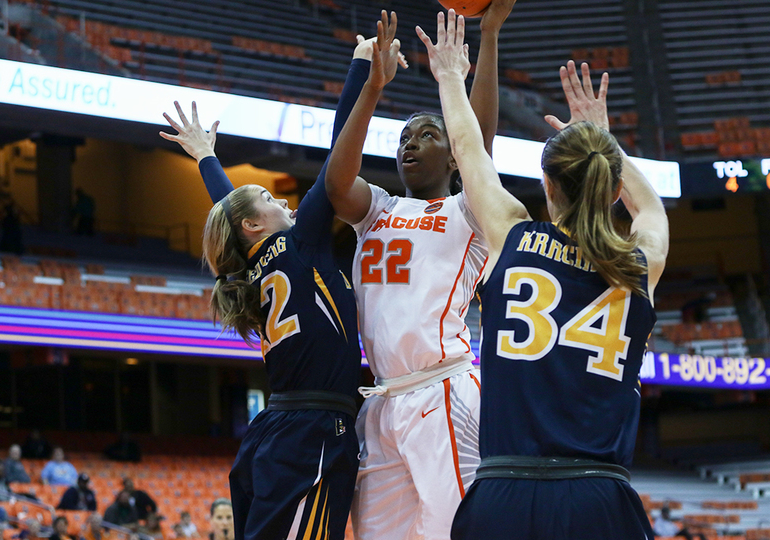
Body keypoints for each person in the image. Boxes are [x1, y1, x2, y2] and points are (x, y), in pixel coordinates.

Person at [415, 11, 669, 540]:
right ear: (610, 183)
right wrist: (604, 141)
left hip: (505, 494)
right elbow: (651, 213)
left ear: (547, 185)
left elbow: (468, 151)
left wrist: (448, 77)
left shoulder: (513, 236)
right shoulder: (638, 264)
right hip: (598, 497)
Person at [159, 32, 379, 540]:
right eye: (270, 198)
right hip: (314, 432)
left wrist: (206, 159)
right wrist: (360, 65)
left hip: (276, 432)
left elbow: (232, 212)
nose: (285, 202)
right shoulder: (301, 244)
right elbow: (339, 146)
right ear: (256, 225)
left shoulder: (249, 267)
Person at [323, 3, 515, 539]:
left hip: (442, 391)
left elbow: (478, 143)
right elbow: (336, 186)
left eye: (427, 134)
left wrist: (490, 37)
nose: (410, 142)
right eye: (404, 137)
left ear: (454, 159)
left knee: (457, 530)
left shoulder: (467, 210)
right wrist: (372, 88)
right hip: (383, 398)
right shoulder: (378, 208)